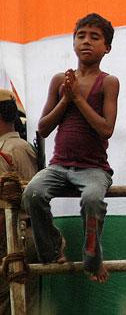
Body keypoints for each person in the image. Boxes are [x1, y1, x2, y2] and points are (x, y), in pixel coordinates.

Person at [21, 13, 120, 283]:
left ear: (106, 48)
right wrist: (66, 100)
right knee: (32, 193)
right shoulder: (59, 81)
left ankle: (92, 259)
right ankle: (53, 250)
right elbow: (42, 128)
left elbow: (106, 129)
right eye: (81, 36)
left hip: (93, 168)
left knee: (92, 200)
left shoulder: (108, 82)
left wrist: (77, 97)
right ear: (73, 42)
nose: (86, 41)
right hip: (59, 166)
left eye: (95, 37)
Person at [0, 89, 39, 314]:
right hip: (8, 236)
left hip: (17, 236)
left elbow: (26, 199)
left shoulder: (15, 149)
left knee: (16, 303)